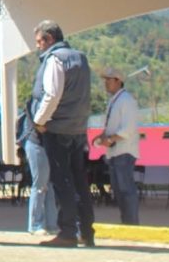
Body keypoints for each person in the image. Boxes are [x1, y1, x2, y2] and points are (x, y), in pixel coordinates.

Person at [30, 20, 95, 248]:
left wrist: (39, 121)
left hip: (57, 129)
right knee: (79, 180)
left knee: (62, 180)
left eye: (39, 41)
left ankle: (67, 231)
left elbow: (52, 94)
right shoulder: (81, 58)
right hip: (78, 128)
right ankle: (86, 231)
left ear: (49, 39)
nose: (38, 46)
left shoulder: (55, 59)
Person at [93, 67, 139, 224]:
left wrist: (111, 139)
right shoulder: (114, 101)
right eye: (105, 80)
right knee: (119, 191)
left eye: (109, 79)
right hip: (114, 152)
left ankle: (132, 224)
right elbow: (112, 127)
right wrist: (103, 136)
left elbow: (128, 128)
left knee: (126, 189)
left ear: (119, 81)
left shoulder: (126, 100)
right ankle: (127, 223)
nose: (106, 83)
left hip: (124, 152)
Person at [18, 96, 58, 235]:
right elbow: (39, 125)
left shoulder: (48, 99)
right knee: (40, 184)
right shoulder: (38, 100)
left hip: (46, 145)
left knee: (49, 185)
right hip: (36, 143)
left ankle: (52, 224)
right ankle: (35, 224)